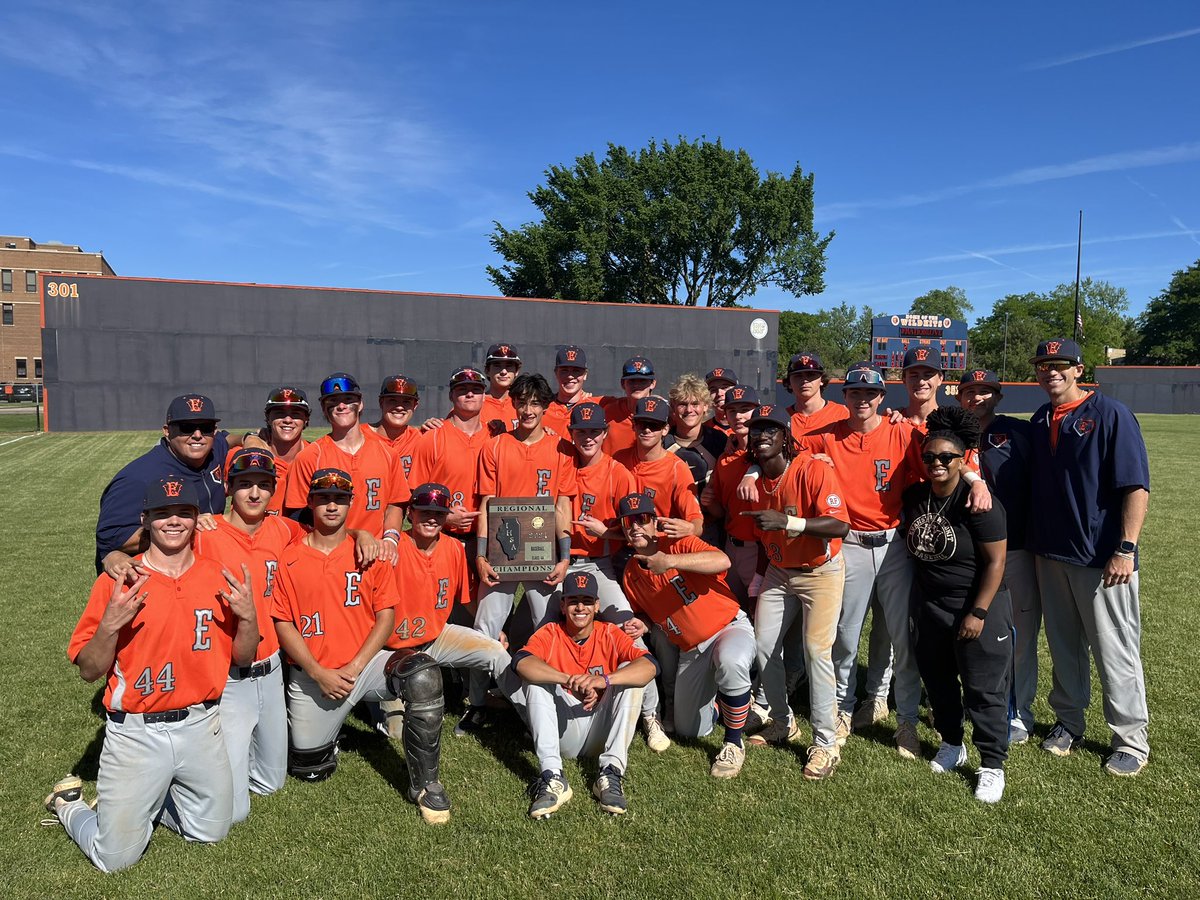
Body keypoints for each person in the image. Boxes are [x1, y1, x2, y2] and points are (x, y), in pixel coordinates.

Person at [45, 477, 258, 871]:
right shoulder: (119, 580)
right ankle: (67, 805)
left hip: (201, 724)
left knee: (212, 831)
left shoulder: (219, 576)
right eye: (162, 513)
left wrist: (247, 618)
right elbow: (89, 672)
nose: (172, 521)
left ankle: (149, 800)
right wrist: (109, 625)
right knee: (115, 858)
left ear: (197, 519)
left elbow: (242, 659)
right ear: (145, 519)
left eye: (183, 513)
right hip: (136, 733)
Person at [272, 468, 451, 823]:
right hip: (313, 676)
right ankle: (329, 736)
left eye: (340, 499)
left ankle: (427, 785)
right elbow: (283, 623)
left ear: (351, 503)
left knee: (422, 675)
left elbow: (386, 616)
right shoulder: (289, 557)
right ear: (310, 502)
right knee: (311, 769)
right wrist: (318, 672)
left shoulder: (367, 554)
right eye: (323, 498)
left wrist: (355, 667)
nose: (332, 506)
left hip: (363, 666)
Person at [1027, 338, 1151, 776]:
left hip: (1102, 558)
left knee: (1115, 650)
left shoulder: (1110, 413)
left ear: (1079, 370)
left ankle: (1131, 739)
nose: (1051, 371)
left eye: (1060, 364)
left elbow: (1135, 486)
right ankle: (1069, 722)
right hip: (1051, 553)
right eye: (1043, 365)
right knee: (1064, 648)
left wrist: (1126, 547)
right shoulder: (1041, 417)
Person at [797, 368, 927, 757]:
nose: (862, 399)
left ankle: (906, 720)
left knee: (902, 639)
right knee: (846, 634)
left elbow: (943, 458)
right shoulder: (828, 434)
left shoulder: (901, 432)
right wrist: (807, 460)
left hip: (893, 545)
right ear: (845, 395)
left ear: (882, 396)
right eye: (855, 392)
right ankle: (843, 708)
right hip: (848, 543)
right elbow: (781, 452)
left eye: (870, 392)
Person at [903, 406, 1011, 803]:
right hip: (930, 607)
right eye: (929, 457)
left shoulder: (979, 503)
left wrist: (978, 612)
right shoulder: (915, 497)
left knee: (984, 690)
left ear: (962, 459)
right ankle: (952, 742)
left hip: (976, 606)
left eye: (946, 457)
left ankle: (992, 764)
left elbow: (996, 562)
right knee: (939, 681)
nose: (936, 463)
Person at [740, 405, 850, 780]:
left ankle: (825, 743)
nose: (762, 436)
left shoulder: (813, 468)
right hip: (778, 571)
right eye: (756, 430)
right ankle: (783, 722)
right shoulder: (753, 477)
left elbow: (839, 525)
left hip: (820, 571)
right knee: (764, 647)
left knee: (816, 652)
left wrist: (791, 521)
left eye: (771, 429)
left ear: (787, 437)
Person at [619, 492, 757, 779]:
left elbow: (721, 561)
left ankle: (733, 742)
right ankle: (729, 701)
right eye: (628, 522)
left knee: (731, 661)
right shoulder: (631, 573)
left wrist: (669, 561)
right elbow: (646, 612)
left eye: (642, 519)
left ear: (655, 523)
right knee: (689, 730)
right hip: (691, 650)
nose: (635, 527)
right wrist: (644, 623)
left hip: (727, 627)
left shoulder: (678, 543)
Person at [468, 373, 577, 729]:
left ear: (546, 406)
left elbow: (562, 505)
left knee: (549, 625)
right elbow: (486, 503)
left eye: (534, 403)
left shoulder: (561, 448)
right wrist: (481, 556)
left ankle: (548, 696)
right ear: (513, 403)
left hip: (544, 552)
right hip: (503, 550)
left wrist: (565, 557)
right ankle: (477, 702)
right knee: (486, 625)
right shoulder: (496, 445)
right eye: (522, 402)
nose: (527, 410)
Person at [389, 482, 521, 761]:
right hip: (391, 651)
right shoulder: (394, 546)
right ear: (409, 513)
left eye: (438, 513)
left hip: (437, 637)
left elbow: (465, 599)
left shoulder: (452, 549)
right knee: (396, 730)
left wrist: (490, 632)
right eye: (424, 512)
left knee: (495, 651)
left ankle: (533, 714)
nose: (431, 519)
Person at [563, 401, 668, 752]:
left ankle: (651, 715)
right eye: (581, 431)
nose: (588, 437)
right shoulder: (562, 466)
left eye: (595, 431)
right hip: (560, 564)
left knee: (628, 632)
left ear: (605, 434)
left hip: (599, 564)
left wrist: (604, 533)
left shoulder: (619, 473)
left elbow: (639, 531)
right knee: (539, 633)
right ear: (572, 434)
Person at [515, 571, 658, 818]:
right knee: (536, 681)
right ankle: (553, 777)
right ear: (562, 605)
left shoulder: (610, 633)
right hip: (563, 730)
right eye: (573, 601)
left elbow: (650, 666)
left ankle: (610, 773)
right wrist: (568, 679)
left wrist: (603, 680)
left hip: (601, 728)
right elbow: (520, 663)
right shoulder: (550, 632)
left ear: (597, 605)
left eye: (587, 601)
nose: (580, 607)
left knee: (630, 675)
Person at [958, 368, 1040, 744]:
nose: (977, 397)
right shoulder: (951, 432)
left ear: (999, 397)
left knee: (1018, 635)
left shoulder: (1018, 432)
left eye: (985, 391)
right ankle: (972, 701)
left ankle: (1018, 709)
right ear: (958, 396)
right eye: (969, 391)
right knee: (969, 631)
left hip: (1015, 548)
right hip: (966, 552)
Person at [95, 393, 241, 575]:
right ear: (167, 431)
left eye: (205, 427)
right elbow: (111, 539)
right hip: (155, 577)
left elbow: (225, 439)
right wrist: (184, 526)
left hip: (201, 570)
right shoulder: (138, 477)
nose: (197, 435)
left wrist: (249, 438)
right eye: (186, 427)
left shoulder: (212, 450)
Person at [283, 373, 411, 554]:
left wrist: (390, 539)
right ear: (323, 407)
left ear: (360, 404)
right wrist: (355, 536)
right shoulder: (310, 457)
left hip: (377, 555)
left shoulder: (388, 454)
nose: (341, 406)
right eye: (333, 401)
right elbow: (297, 517)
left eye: (348, 399)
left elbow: (395, 504)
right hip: (329, 555)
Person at [701, 385, 762, 610]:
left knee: (763, 621)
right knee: (735, 612)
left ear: (757, 410)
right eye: (732, 411)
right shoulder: (725, 459)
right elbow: (723, 513)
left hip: (760, 550)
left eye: (745, 409)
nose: (738, 416)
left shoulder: (769, 452)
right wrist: (710, 502)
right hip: (732, 546)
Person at [614, 396, 704, 538]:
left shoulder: (677, 468)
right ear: (633, 425)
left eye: (654, 425)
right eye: (642, 423)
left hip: (659, 548)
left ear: (665, 429)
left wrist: (691, 529)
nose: (647, 430)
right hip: (622, 546)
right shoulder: (619, 460)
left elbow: (696, 521)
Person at [666, 373, 728, 540]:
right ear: (673, 407)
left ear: (706, 406)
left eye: (695, 404)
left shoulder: (719, 441)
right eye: (682, 404)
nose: (689, 410)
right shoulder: (662, 442)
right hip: (671, 526)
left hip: (711, 527)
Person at [235, 386, 311, 516]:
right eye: (280, 413)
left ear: (306, 419)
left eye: (296, 414)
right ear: (268, 418)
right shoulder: (246, 454)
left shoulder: (316, 456)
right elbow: (217, 440)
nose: (287, 420)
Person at [783, 352, 848, 442]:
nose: (805, 380)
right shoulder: (781, 418)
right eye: (798, 376)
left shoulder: (843, 414)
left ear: (822, 380)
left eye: (811, 375)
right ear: (789, 383)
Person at [600, 356, 658, 456]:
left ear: (653, 383)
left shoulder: (661, 413)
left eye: (642, 381)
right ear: (623, 384)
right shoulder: (609, 411)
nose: (637, 385)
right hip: (611, 470)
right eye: (632, 381)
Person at [368, 374, 422, 480]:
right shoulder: (360, 437)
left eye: (406, 401)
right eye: (392, 400)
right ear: (381, 402)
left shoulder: (420, 439)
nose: (399, 407)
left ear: (415, 406)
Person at [541, 344, 594, 437]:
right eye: (564, 370)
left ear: (585, 374)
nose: (570, 376)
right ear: (556, 373)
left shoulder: (598, 407)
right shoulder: (542, 409)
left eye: (576, 370)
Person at [481, 342, 522, 430]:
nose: (503, 371)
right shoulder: (473, 405)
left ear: (517, 371)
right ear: (487, 370)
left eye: (509, 366)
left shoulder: (525, 404)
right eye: (497, 366)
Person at [704, 367, 739, 434]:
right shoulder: (701, 431)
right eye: (713, 390)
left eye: (725, 387)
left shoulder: (751, 429)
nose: (719, 393)